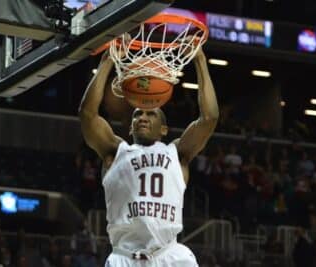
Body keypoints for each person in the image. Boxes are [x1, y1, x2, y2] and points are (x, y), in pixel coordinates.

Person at [79, 44, 219, 267]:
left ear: (164, 129)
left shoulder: (177, 153)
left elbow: (209, 118)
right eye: (137, 115)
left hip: (169, 255)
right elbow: (87, 114)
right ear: (130, 128)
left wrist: (200, 60)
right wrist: (107, 60)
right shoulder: (115, 152)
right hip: (124, 258)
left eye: (150, 114)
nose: (142, 118)